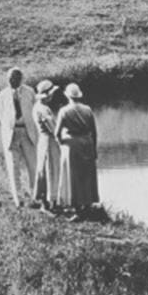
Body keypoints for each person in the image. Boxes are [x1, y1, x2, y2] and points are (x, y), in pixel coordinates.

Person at [0, 67, 39, 208]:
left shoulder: (30, 92)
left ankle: (35, 197)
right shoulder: (2, 95)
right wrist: (9, 130)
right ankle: (18, 198)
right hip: (11, 134)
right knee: (13, 167)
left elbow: (36, 112)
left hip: (27, 132)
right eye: (10, 78)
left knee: (33, 165)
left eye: (15, 78)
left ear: (21, 79)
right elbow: (1, 116)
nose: (12, 81)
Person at [54, 83, 99, 216]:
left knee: (74, 175)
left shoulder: (64, 111)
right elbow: (94, 132)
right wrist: (94, 148)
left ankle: (76, 205)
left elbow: (57, 133)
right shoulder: (88, 110)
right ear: (79, 96)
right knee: (87, 174)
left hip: (72, 144)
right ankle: (88, 203)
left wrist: (62, 144)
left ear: (67, 96)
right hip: (87, 143)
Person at [32, 79, 62, 209]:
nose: (52, 96)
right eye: (51, 94)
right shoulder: (43, 109)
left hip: (42, 140)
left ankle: (45, 200)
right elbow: (53, 128)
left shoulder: (38, 107)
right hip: (49, 141)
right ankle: (51, 202)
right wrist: (62, 139)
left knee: (43, 169)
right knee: (52, 169)